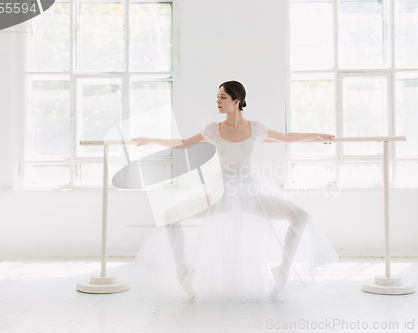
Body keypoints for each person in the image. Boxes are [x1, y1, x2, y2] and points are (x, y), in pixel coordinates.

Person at [130, 81, 339, 302]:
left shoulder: (255, 128)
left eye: (223, 98)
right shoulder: (214, 128)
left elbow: (287, 137)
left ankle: (283, 269)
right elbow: (183, 144)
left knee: (301, 216)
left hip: (250, 192)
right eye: (217, 96)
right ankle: (183, 270)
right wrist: (150, 140)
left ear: (236, 101)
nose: (218, 101)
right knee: (169, 216)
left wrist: (318, 135)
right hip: (222, 192)